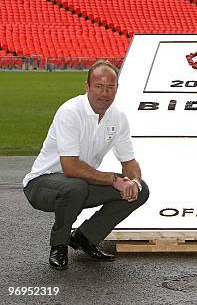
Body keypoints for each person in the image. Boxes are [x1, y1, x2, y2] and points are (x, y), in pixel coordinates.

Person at [23, 60, 149, 270]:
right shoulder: (70, 112)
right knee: (76, 186)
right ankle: (59, 244)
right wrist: (114, 180)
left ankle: (85, 237)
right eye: (99, 86)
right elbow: (70, 167)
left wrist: (134, 181)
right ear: (87, 86)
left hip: (80, 183)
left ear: (117, 88)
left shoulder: (118, 118)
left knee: (141, 190)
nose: (105, 93)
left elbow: (129, 161)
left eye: (111, 87)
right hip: (42, 184)